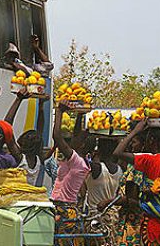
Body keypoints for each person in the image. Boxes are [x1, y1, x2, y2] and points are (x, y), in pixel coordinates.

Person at [113, 118, 160, 246]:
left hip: (153, 226)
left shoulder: (150, 161)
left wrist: (135, 131)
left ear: (151, 141)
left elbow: (118, 152)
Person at [52, 101, 91, 246]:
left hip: (65, 210)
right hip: (62, 208)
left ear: (82, 144)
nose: (72, 139)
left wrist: (59, 111)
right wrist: (80, 114)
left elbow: (57, 136)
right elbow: (76, 135)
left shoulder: (77, 162)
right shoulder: (78, 160)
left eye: (77, 138)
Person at [84, 138, 122, 244]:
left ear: (98, 150)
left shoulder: (97, 168)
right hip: (113, 217)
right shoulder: (119, 169)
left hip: (96, 218)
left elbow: (81, 158)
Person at [7, 90, 48, 186]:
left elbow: (7, 127)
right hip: (29, 198)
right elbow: (40, 129)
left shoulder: (20, 158)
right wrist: (41, 106)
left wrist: (18, 100)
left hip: (16, 198)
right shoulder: (38, 158)